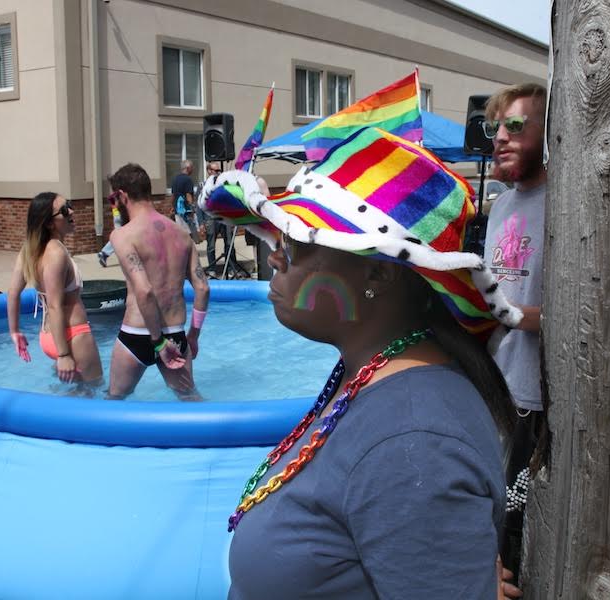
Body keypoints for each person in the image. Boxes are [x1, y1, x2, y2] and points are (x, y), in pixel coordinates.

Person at [202, 127, 524, 598]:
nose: (274, 258)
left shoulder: (414, 441)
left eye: (298, 243)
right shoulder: (374, 381)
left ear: (378, 270)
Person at [482, 82, 547, 585]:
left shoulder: (569, 204)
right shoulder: (500, 206)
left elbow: (590, 316)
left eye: (516, 126)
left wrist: (512, 314)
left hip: (535, 395)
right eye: (496, 127)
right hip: (493, 381)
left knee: (517, 526)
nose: (500, 137)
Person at [106, 163, 209, 400]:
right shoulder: (182, 235)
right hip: (176, 333)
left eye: (114, 197)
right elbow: (203, 288)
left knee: (114, 402)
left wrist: (158, 342)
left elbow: (144, 291)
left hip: (138, 333)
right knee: (190, 402)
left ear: (122, 195)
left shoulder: (123, 235)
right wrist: (193, 335)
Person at [7, 192, 103, 383]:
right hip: (72, 336)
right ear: (50, 223)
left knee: (72, 392)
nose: (72, 211)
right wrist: (63, 355)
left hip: (48, 336)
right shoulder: (56, 252)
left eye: (69, 204)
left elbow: (12, 294)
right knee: (93, 390)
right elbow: (54, 305)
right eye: (64, 210)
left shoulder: (29, 251)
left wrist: (15, 331)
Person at [171, 159, 201, 243]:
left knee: (181, 233)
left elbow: (173, 195)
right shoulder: (188, 179)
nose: (193, 169)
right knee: (190, 232)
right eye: (192, 167)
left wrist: (172, 207)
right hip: (186, 211)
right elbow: (188, 195)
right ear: (188, 168)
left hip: (178, 210)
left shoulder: (175, 179)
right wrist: (192, 208)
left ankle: (183, 251)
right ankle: (190, 251)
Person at [96, 191, 124, 267]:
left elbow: (111, 198)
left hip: (116, 215)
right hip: (120, 216)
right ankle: (104, 253)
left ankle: (104, 253)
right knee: (119, 238)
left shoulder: (113, 203)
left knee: (119, 237)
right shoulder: (121, 198)